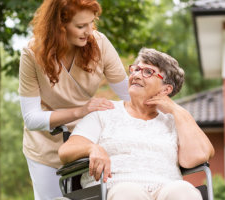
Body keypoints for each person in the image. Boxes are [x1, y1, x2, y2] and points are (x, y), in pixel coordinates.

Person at [58, 47, 215, 200]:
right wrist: (92, 148)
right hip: (114, 188)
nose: (137, 75)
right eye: (136, 69)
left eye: (148, 72)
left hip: (166, 189)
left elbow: (197, 157)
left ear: (166, 89)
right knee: (128, 192)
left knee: (184, 191)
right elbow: (66, 151)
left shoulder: (174, 122)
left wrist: (177, 110)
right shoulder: (105, 113)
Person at [18, 0, 130, 199]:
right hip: (45, 145)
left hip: (87, 140)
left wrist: (168, 111)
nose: (89, 31)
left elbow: (129, 93)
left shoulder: (99, 43)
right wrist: (80, 111)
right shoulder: (32, 54)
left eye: (91, 22)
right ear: (59, 26)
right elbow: (31, 118)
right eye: (80, 26)